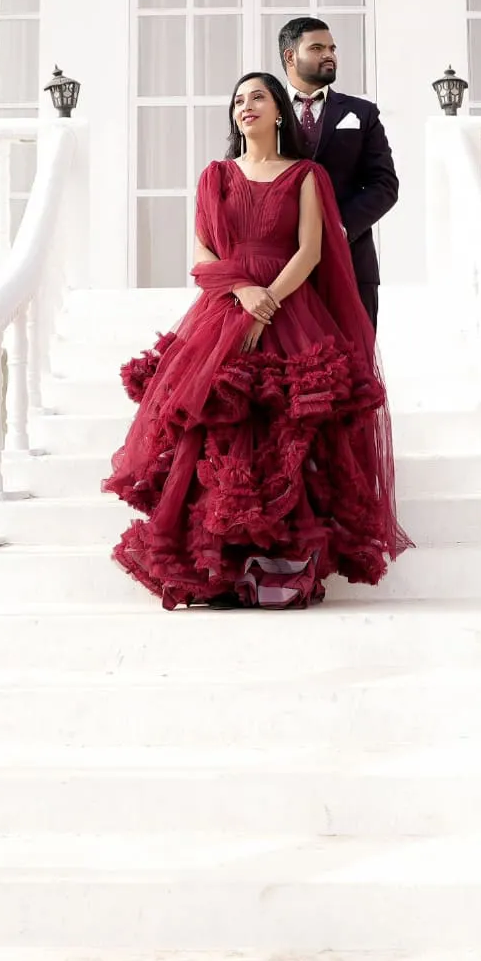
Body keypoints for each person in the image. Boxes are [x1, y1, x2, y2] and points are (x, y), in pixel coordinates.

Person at [107, 74, 407, 612]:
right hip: (224, 308)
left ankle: (281, 574)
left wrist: (269, 299)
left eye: (258, 98)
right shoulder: (214, 176)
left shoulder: (306, 175)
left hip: (291, 307)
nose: (246, 107)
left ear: (278, 112)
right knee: (216, 433)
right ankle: (216, 573)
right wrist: (244, 292)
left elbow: (310, 251)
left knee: (288, 437)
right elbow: (201, 256)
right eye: (238, 100)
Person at [275, 16, 399, 324]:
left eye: (332, 47)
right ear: (290, 56)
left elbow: (384, 184)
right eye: (317, 47)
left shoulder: (362, 113)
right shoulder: (265, 110)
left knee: (355, 366)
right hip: (280, 267)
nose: (329, 54)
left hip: (352, 263)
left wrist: (337, 228)